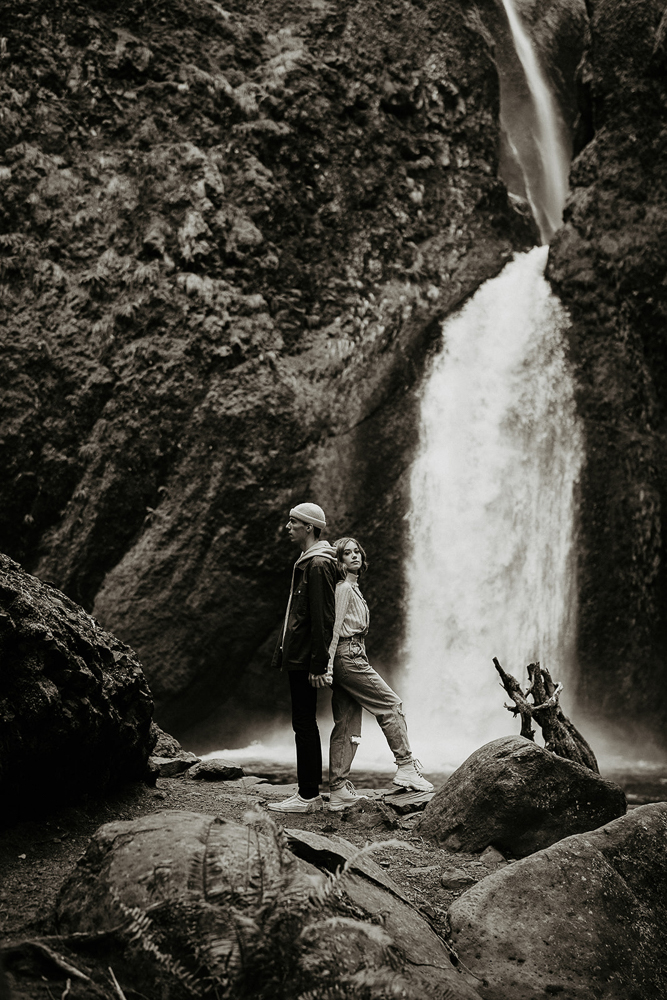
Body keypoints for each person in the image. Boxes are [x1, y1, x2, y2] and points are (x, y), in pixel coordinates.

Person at [318, 536, 434, 812]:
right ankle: (405, 766)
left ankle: (337, 790)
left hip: (353, 655)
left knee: (346, 724)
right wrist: (328, 666)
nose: (355, 556)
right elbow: (334, 630)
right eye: (347, 553)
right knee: (391, 705)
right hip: (349, 657)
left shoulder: (353, 588)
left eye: (357, 551)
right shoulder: (344, 589)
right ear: (339, 561)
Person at [268, 502, 337, 814]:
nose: (287, 527)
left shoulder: (318, 565)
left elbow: (323, 618)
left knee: (304, 723)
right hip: (298, 655)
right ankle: (308, 792)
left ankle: (308, 795)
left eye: (293, 522)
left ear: (309, 527)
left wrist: (318, 663)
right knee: (303, 722)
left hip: (307, 659)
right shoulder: (308, 562)